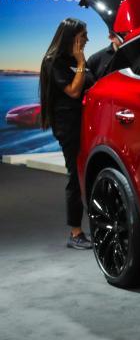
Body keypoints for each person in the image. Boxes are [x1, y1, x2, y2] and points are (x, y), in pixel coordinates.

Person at [39, 18, 96, 250]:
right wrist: (81, 61)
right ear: (71, 37)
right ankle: (75, 233)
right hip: (69, 127)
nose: (87, 39)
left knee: (87, 175)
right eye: (83, 36)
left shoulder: (76, 60)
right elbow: (73, 91)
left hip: (86, 125)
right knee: (75, 176)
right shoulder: (53, 62)